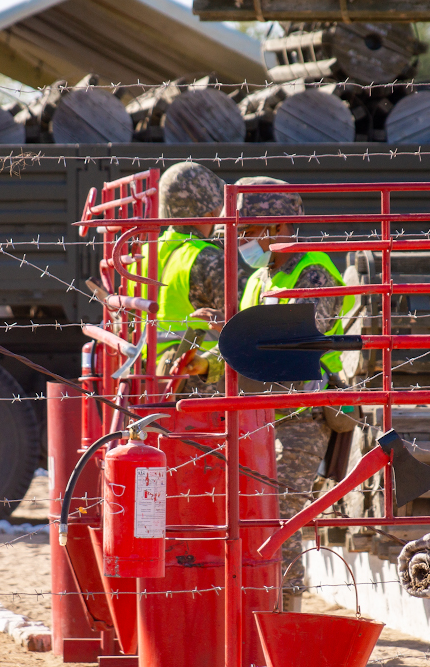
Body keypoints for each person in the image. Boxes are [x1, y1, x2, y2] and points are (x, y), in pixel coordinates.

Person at [183, 176, 351, 611]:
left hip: (301, 417)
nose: (240, 242)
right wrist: (219, 347)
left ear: (276, 229)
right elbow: (252, 349)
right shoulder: (263, 277)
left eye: (246, 232)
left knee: (280, 519)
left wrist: (233, 337)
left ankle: (281, 615)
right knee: (260, 516)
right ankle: (265, 611)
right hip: (267, 415)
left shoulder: (311, 271)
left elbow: (300, 344)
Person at [147, 161, 229, 395]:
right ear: (211, 209)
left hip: (151, 379)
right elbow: (240, 326)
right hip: (201, 386)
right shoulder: (207, 258)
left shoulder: (146, 252)